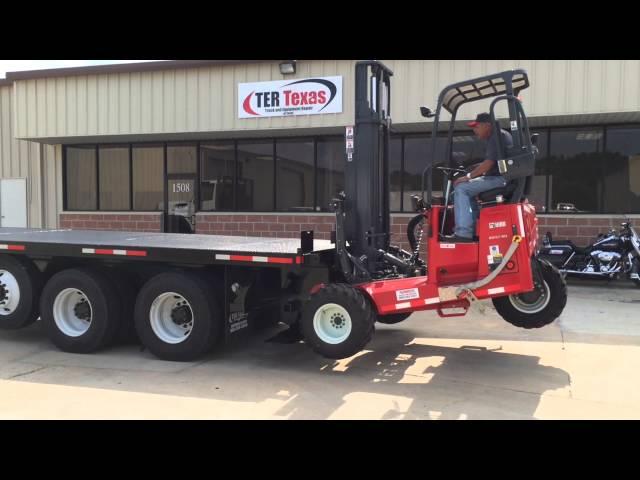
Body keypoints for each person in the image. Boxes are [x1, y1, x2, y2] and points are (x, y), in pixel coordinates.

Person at [446, 112, 512, 242]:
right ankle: (472, 229)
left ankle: (463, 233)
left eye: (477, 126)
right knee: (458, 193)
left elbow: (489, 163)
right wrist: (473, 169)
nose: (474, 130)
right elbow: (491, 161)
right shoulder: (501, 135)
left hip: (499, 179)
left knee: (461, 189)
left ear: (487, 125)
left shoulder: (496, 137)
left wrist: (468, 176)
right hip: (501, 178)